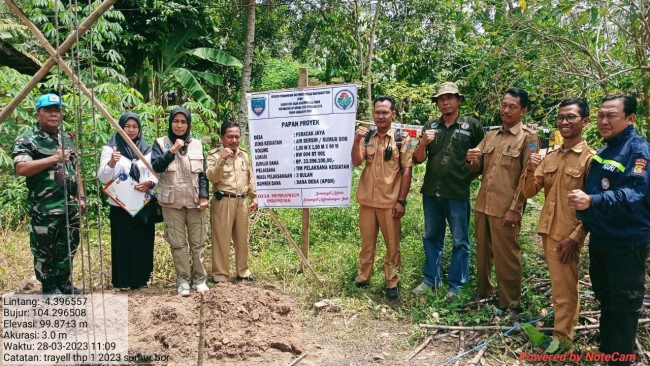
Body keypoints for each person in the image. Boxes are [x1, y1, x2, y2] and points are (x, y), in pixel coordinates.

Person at [568, 94, 649, 365]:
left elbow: (634, 193)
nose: (604, 120)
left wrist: (592, 201)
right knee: (606, 299)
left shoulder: (638, 151)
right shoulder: (604, 151)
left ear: (630, 118)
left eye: (611, 115)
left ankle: (621, 359)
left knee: (625, 305)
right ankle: (609, 353)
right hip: (601, 241)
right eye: (601, 114)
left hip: (626, 243)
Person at [519, 98, 594, 346]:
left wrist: (575, 238)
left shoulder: (589, 160)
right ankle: (563, 333)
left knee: (565, 289)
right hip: (547, 230)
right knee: (560, 286)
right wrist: (530, 168)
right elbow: (529, 192)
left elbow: (593, 207)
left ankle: (562, 342)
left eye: (571, 117)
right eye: (561, 117)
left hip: (567, 235)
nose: (564, 121)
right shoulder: (551, 157)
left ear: (584, 121)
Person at [466, 88, 540, 311]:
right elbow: (477, 168)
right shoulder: (491, 135)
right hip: (483, 205)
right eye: (503, 105)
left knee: (507, 257)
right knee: (483, 253)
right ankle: (484, 293)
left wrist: (515, 209)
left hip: (506, 208)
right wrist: (471, 159)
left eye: (512, 107)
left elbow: (527, 176)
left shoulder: (529, 138)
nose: (506, 110)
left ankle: (510, 304)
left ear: (523, 110)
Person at [411, 82, 484, 295]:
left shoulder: (472, 126)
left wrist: (468, 175)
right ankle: (431, 280)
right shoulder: (430, 126)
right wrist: (423, 142)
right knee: (432, 236)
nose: (445, 102)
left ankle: (457, 286)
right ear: (437, 104)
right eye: (441, 99)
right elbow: (417, 159)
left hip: (457, 193)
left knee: (460, 240)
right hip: (431, 192)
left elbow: (484, 158)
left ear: (459, 100)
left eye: (450, 97)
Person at [12, 93, 86, 295]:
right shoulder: (28, 139)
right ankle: (49, 286)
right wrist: (53, 158)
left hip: (70, 206)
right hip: (45, 207)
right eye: (48, 110)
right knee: (45, 249)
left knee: (69, 245)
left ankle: (64, 282)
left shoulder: (67, 138)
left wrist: (80, 197)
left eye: (57, 110)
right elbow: (22, 168)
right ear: (38, 114)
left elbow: (75, 169)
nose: (54, 114)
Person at [349, 95, 414, 299]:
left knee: (392, 245)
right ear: (373, 114)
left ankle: (392, 282)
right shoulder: (367, 136)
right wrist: (357, 139)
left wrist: (401, 201)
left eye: (385, 112)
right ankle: (363, 277)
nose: (380, 116)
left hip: (389, 203)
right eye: (377, 112)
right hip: (367, 201)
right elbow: (357, 162)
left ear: (393, 114)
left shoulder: (402, 138)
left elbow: (406, 171)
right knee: (367, 244)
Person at [152, 107, 210, 296]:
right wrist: (173, 150)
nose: (179, 125)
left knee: (199, 243)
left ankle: (200, 280)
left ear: (188, 124)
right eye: (175, 121)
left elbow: (203, 175)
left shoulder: (198, 144)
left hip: (194, 201)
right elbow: (157, 167)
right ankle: (183, 281)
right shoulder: (160, 143)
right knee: (178, 244)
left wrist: (203, 196)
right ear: (170, 123)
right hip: (171, 203)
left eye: (183, 122)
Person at [98, 112, 158, 290]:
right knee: (122, 241)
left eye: (134, 127)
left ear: (139, 129)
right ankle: (122, 280)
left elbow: (155, 174)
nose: (131, 130)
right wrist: (111, 163)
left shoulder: (147, 149)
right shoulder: (111, 149)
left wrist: (150, 183)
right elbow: (102, 177)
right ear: (120, 127)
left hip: (141, 202)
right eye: (127, 126)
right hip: (120, 204)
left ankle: (141, 279)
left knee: (143, 240)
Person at [206, 122, 258, 282]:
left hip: (242, 202)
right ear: (222, 137)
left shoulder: (243, 154)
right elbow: (212, 177)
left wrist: (254, 196)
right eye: (230, 136)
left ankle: (243, 272)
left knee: (242, 239)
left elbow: (250, 177)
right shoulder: (214, 155)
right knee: (221, 239)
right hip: (223, 201)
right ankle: (220, 275)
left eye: (237, 136)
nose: (234, 140)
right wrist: (222, 159)